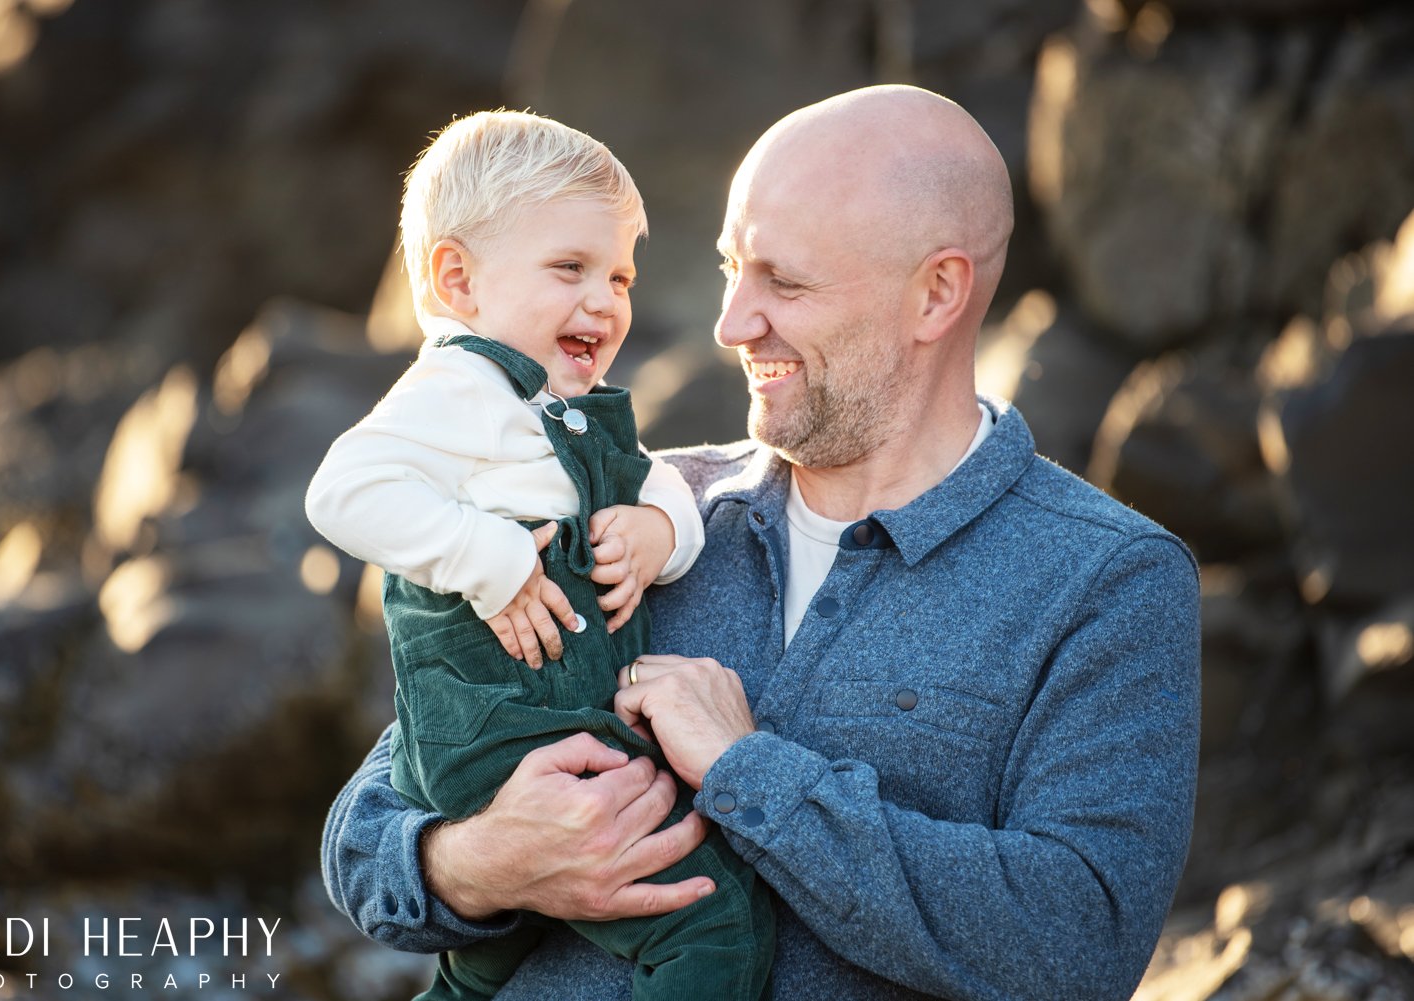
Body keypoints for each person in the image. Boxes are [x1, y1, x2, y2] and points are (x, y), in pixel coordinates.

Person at [321, 86, 1201, 1000]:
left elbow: (1079, 945)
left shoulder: (1106, 580)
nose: (731, 322)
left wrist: (753, 775)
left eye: (784, 281)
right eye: (730, 269)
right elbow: (372, 820)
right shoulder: (644, 520)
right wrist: (475, 864)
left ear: (936, 293)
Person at [305, 110, 772, 1001]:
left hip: (546, 722)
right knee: (710, 921)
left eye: (621, 276)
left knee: (484, 964)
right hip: (497, 724)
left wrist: (658, 532)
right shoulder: (455, 388)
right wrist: (493, 559)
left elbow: (659, 481)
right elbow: (342, 488)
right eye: (571, 268)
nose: (605, 301)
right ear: (459, 280)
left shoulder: (561, 405)